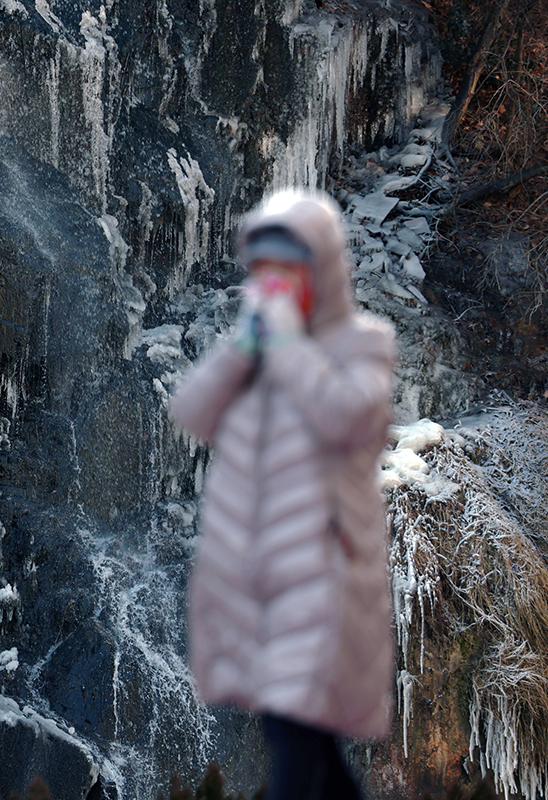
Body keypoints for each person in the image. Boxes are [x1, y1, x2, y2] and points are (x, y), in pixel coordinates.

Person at [168, 189, 396, 800]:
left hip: (322, 584)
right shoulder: (254, 355)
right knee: (311, 749)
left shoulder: (362, 345)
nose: (272, 289)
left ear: (318, 275)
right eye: (262, 275)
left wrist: (292, 347)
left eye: (285, 275)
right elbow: (190, 411)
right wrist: (240, 349)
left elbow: (351, 419)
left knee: (295, 740)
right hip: (254, 583)